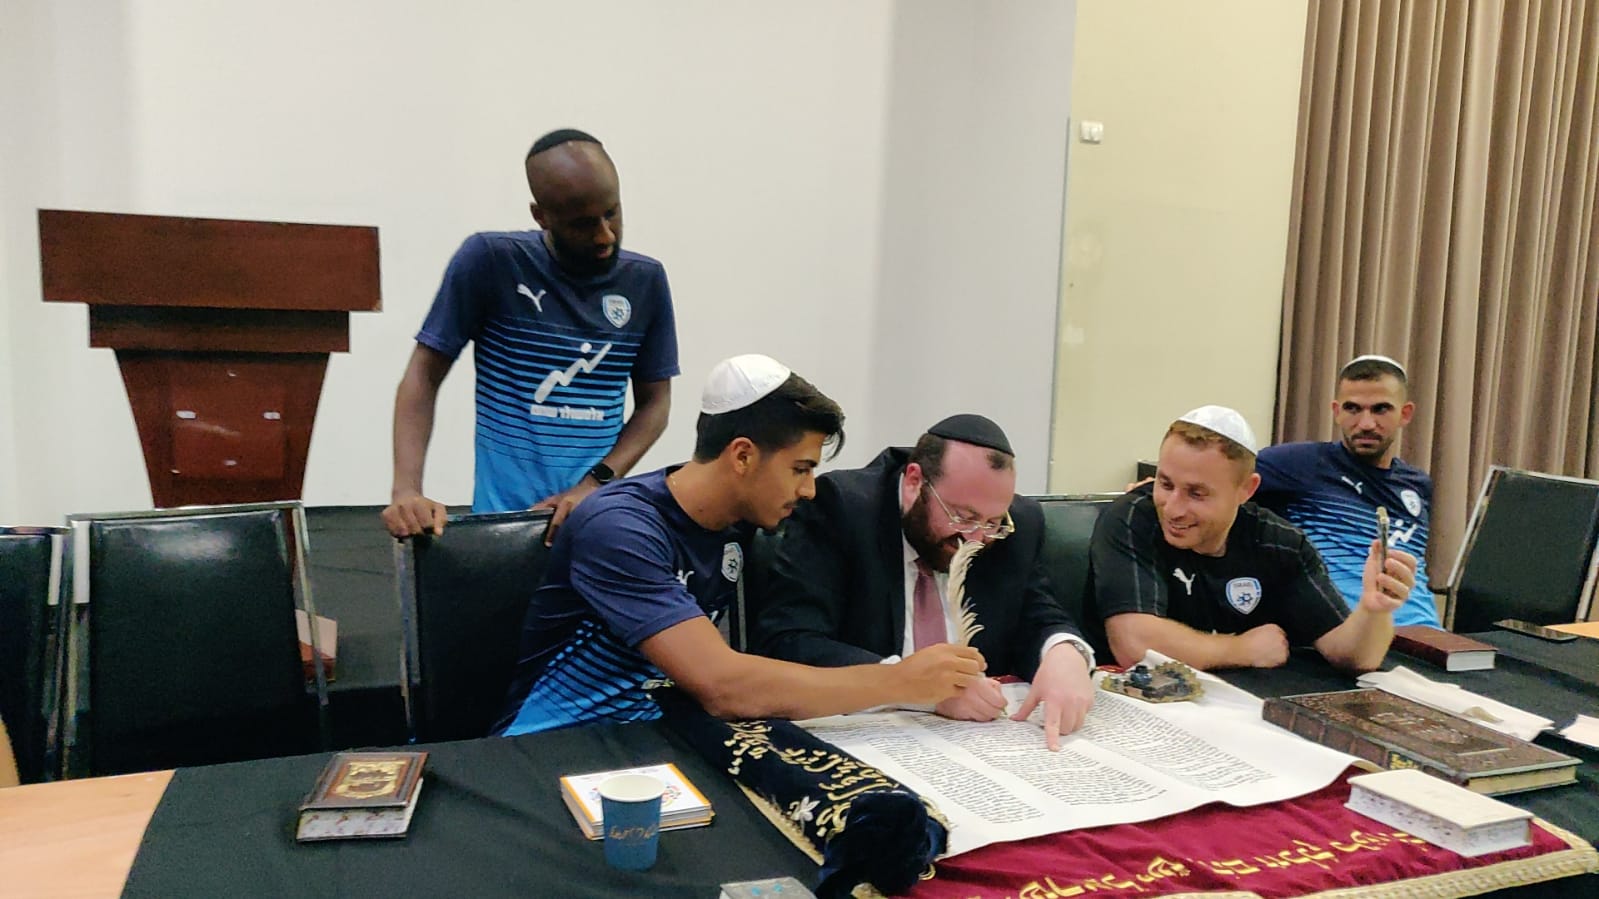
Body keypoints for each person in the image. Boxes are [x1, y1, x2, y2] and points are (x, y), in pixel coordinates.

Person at [495, 355, 985, 736]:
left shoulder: (740, 523)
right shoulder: (620, 528)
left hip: (659, 739)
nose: (809, 489)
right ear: (743, 456)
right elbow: (723, 686)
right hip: (554, 743)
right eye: (800, 469)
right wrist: (902, 681)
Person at [383, 128, 677, 543]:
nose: (605, 236)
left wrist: (593, 484)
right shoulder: (491, 261)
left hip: (597, 522)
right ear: (541, 216)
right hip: (505, 528)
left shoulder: (645, 281)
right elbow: (423, 375)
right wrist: (406, 489)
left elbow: (655, 404)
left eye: (612, 213)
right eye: (582, 224)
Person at [753, 415, 1097, 750]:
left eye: (992, 523)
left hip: (981, 741)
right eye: (962, 516)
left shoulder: (1015, 526)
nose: (975, 539)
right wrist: (918, 689)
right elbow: (788, 641)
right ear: (914, 481)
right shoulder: (842, 509)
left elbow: (1039, 615)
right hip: (868, 740)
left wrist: (1063, 654)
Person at [1088, 405, 1416, 673]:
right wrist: (1240, 649)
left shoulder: (1281, 544)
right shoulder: (1134, 517)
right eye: (1166, 484)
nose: (1173, 508)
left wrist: (1374, 611)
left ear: (1246, 490)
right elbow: (1135, 645)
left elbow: (1351, 656)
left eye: (1196, 493)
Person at [1254, 355, 1439, 627]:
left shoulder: (1418, 484)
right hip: (1350, 634)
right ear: (1336, 411)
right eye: (1353, 409)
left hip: (1428, 634)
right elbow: (1220, 476)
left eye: (1380, 409)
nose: (1366, 423)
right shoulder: (1299, 464)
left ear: (1405, 414)